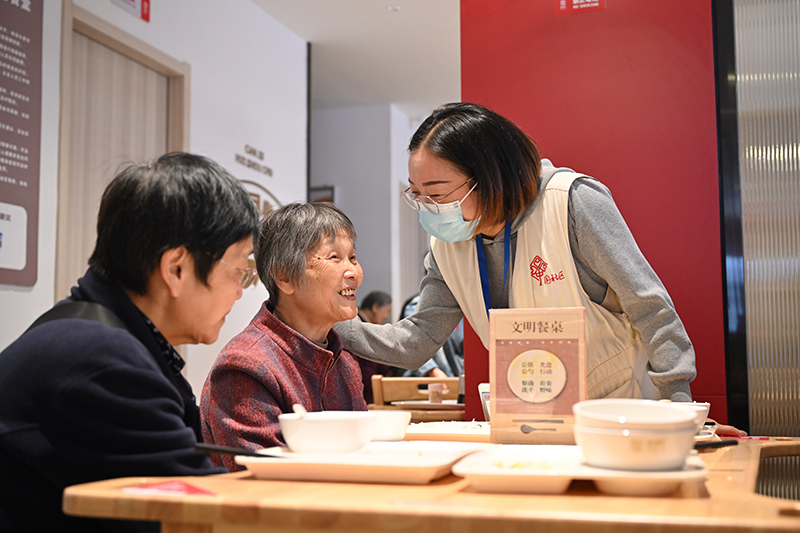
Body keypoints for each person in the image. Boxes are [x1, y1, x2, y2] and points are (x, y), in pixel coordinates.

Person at [334, 102, 697, 404]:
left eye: (438, 193)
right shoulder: (446, 246)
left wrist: (679, 407)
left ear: (488, 177)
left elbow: (650, 308)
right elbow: (417, 340)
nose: (427, 207)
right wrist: (329, 321)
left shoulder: (571, 202)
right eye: (416, 193)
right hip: (534, 416)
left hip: (621, 407)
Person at [0, 153, 260, 533]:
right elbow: (203, 516)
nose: (239, 291)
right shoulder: (101, 362)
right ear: (176, 269)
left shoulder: (101, 335)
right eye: (239, 270)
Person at [201, 202, 368, 471]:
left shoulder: (345, 364)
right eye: (335, 257)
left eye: (353, 257)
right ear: (284, 277)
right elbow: (264, 480)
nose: (354, 273)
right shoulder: (246, 366)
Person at [354, 291, 396, 403]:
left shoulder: (360, 325)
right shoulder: (359, 327)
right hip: (364, 395)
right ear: (376, 307)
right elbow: (367, 369)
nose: (386, 317)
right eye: (387, 311)